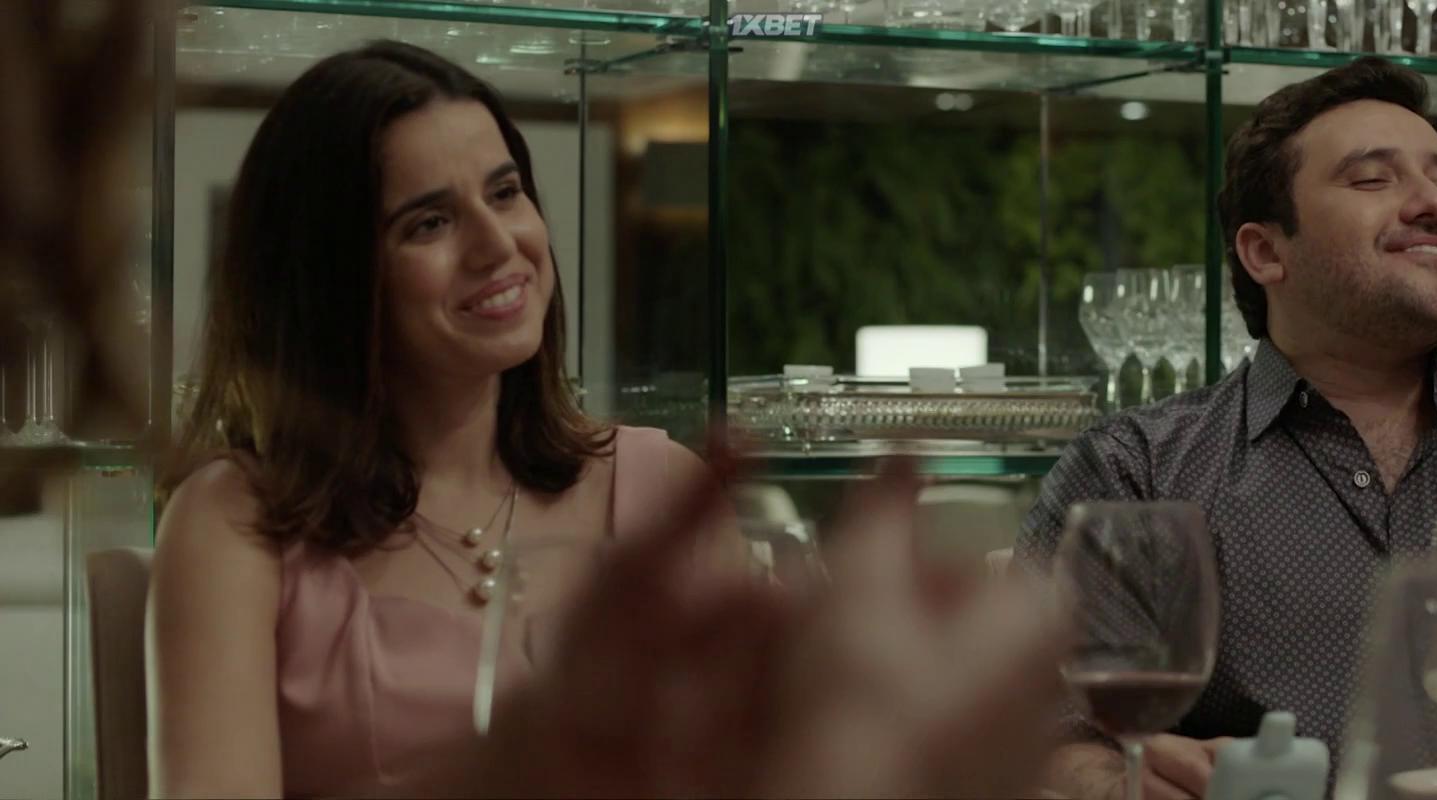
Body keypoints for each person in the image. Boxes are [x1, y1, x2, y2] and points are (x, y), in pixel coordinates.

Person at [147, 40, 1066, 799]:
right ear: (329, 277)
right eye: (428, 223)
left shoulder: (660, 486)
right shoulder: (233, 524)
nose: (499, 244)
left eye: (506, 192)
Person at [1021, 57, 1437, 800]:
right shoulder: (1136, 473)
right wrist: (1116, 784)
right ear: (1266, 252)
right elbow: (1038, 733)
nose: (1433, 203)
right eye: (1372, 179)